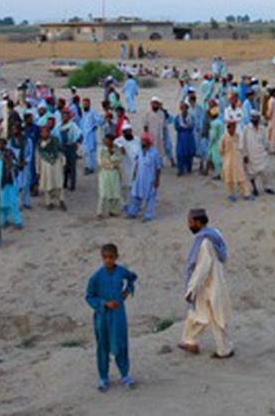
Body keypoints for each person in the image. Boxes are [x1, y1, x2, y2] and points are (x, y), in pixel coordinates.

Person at [179, 209, 234, 359]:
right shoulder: (215, 233)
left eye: (190, 222)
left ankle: (224, 349)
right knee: (198, 313)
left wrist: (191, 289)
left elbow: (202, 268)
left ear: (198, 222)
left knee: (212, 316)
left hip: (208, 285)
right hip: (214, 281)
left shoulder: (204, 242)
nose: (189, 225)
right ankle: (191, 341)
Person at [85, 243, 138, 392]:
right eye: (105, 258)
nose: (108, 260)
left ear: (116, 257)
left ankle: (125, 374)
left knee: (121, 343)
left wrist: (128, 291)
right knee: (103, 345)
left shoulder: (121, 271)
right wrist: (104, 304)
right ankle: (103, 377)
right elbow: (89, 296)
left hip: (119, 315)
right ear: (102, 258)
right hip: (102, 317)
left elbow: (132, 277)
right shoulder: (96, 277)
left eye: (111, 257)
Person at [125, 132, 162, 222]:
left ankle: (148, 215)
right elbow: (137, 163)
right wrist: (134, 174)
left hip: (150, 179)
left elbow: (158, 168)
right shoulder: (140, 151)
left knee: (150, 197)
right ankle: (132, 212)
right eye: (142, 141)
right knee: (135, 195)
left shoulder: (154, 153)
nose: (143, 143)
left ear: (149, 142)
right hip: (139, 178)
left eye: (145, 141)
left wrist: (157, 180)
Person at [0, 138, 23, 229]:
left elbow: (16, 164)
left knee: (13, 202)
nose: (0, 145)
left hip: (10, 180)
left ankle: (18, 221)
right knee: (1, 203)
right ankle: (3, 220)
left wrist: (10, 163)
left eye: (2, 144)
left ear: (5, 144)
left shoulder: (10, 153)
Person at [241, 111, 274, 196]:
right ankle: (254, 188)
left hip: (261, 154)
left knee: (265, 171)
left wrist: (267, 149)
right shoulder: (246, 129)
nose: (254, 119)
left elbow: (265, 141)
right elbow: (242, 143)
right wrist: (244, 155)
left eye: (256, 118)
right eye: (253, 118)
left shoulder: (262, 129)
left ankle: (267, 187)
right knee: (251, 173)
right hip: (251, 154)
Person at [219, 121, 253, 202]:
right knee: (229, 178)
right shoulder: (224, 138)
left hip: (237, 160)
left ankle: (246, 193)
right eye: (232, 127)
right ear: (228, 128)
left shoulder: (237, 136)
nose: (233, 129)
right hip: (228, 161)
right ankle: (231, 194)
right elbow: (220, 150)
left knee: (241, 177)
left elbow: (242, 147)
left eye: (234, 127)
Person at [37, 127, 66, 211]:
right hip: (45, 167)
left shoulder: (55, 141)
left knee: (59, 184)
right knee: (47, 185)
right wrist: (38, 170)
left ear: (49, 133)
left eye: (46, 132)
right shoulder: (39, 143)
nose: (44, 134)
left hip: (56, 165)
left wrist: (63, 163)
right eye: (42, 132)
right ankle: (48, 203)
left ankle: (61, 201)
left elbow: (60, 152)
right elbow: (38, 157)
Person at [97, 134, 123, 218]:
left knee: (115, 192)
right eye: (105, 140)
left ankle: (113, 211)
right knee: (103, 193)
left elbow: (119, 160)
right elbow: (101, 162)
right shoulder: (101, 150)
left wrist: (113, 160)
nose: (106, 141)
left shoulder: (116, 149)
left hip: (114, 174)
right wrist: (112, 164)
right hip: (104, 173)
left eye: (108, 140)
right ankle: (100, 212)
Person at [114, 123, 141, 201]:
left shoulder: (137, 139)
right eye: (127, 131)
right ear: (124, 132)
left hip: (135, 165)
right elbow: (115, 142)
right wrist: (121, 146)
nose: (129, 133)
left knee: (135, 185)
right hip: (125, 166)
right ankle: (125, 202)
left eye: (130, 131)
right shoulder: (120, 140)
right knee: (125, 185)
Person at [59, 109, 82, 191]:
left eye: (66, 116)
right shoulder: (59, 125)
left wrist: (76, 143)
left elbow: (79, 134)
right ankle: (64, 183)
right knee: (64, 166)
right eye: (63, 116)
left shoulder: (72, 125)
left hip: (71, 147)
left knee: (72, 167)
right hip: (63, 147)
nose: (64, 118)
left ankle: (72, 185)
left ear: (68, 117)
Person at [81, 98, 104, 175]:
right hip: (85, 135)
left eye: (86, 104)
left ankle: (91, 167)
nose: (85, 105)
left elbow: (101, 121)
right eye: (84, 104)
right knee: (86, 151)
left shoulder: (93, 112)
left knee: (91, 151)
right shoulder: (84, 113)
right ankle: (88, 166)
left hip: (91, 135)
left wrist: (95, 126)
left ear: (89, 104)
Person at [174, 102, 196, 176]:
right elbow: (177, 127)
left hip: (189, 138)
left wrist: (184, 128)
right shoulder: (178, 117)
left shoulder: (190, 117)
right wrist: (185, 128)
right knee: (180, 154)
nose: (183, 109)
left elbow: (192, 127)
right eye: (182, 108)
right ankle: (180, 169)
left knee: (189, 154)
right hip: (181, 138)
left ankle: (189, 168)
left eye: (185, 108)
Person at [143, 97, 167, 163]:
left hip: (160, 136)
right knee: (151, 149)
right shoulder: (148, 113)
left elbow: (164, 126)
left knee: (159, 150)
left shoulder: (162, 114)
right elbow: (145, 125)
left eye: (156, 103)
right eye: (153, 103)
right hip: (151, 135)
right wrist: (146, 136)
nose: (155, 105)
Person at [206, 107, 224, 179]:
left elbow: (213, 136)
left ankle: (218, 173)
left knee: (216, 159)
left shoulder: (214, 123)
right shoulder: (220, 122)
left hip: (216, 143)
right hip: (221, 141)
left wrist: (210, 144)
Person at [266, 88, 275, 154]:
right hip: (273, 120)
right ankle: (272, 149)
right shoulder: (271, 100)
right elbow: (270, 111)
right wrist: (268, 117)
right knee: (272, 135)